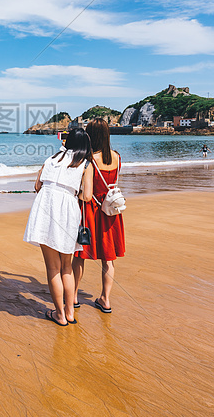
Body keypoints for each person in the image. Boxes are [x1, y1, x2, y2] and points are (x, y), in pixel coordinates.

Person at [23, 127, 94, 326]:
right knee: (66, 267)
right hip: (68, 210)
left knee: (52, 268)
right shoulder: (86, 164)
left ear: (67, 141)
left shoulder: (51, 158)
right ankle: (69, 313)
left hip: (46, 207)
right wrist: (73, 194)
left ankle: (59, 315)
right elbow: (87, 196)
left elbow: (37, 185)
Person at [72, 119, 125, 315]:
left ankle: (74, 295)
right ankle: (105, 299)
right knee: (108, 259)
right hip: (110, 211)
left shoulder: (89, 160)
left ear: (90, 135)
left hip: (91, 211)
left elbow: (86, 190)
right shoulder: (117, 157)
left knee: (80, 256)